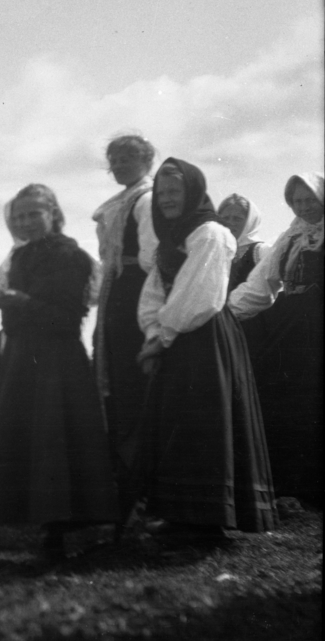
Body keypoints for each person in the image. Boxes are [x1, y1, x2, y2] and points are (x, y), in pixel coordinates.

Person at [0, 185, 118, 561]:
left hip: (57, 361)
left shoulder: (70, 256)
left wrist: (20, 303)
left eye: (34, 214)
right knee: (10, 439)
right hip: (24, 357)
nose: (26, 222)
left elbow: (65, 318)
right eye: (20, 216)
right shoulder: (21, 256)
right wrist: (16, 308)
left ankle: (54, 541)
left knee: (53, 442)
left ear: (53, 213)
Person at [134, 159, 276, 541]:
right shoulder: (171, 238)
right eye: (161, 193)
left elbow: (200, 297)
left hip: (204, 339)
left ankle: (207, 523)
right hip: (178, 336)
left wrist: (162, 337)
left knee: (203, 423)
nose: (165, 199)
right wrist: (153, 332)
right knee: (179, 422)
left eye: (174, 192)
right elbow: (154, 292)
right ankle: (182, 516)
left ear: (193, 191)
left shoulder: (211, 234)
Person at [228, 172, 323, 505]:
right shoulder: (291, 236)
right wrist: (225, 313)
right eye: (297, 201)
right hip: (291, 326)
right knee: (285, 401)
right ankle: (290, 485)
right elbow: (260, 283)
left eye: (310, 199)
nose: (304, 206)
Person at [91, 134, 158, 467]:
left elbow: (152, 255)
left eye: (126, 158)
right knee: (117, 378)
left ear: (146, 160)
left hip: (136, 291)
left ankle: (137, 472)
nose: (118, 166)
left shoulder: (145, 200)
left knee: (132, 379)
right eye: (114, 160)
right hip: (116, 293)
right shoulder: (121, 201)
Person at [217, 194, 269, 293]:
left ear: (250, 222)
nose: (230, 223)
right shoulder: (217, 254)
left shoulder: (261, 252)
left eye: (237, 219)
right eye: (225, 218)